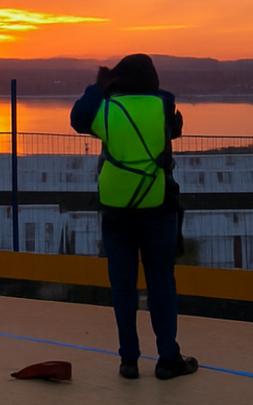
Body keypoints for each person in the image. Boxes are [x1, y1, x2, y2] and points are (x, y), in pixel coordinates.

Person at [70, 53, 198, 380]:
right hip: (158, 208)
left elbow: (78, 118)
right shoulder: (163, 109)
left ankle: (128, 360)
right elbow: (177, 128)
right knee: (160, 284)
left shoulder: (107, 110)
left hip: (116, 209)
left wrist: (99, 86)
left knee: (123, 286)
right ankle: (168, 358)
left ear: (117, 80)